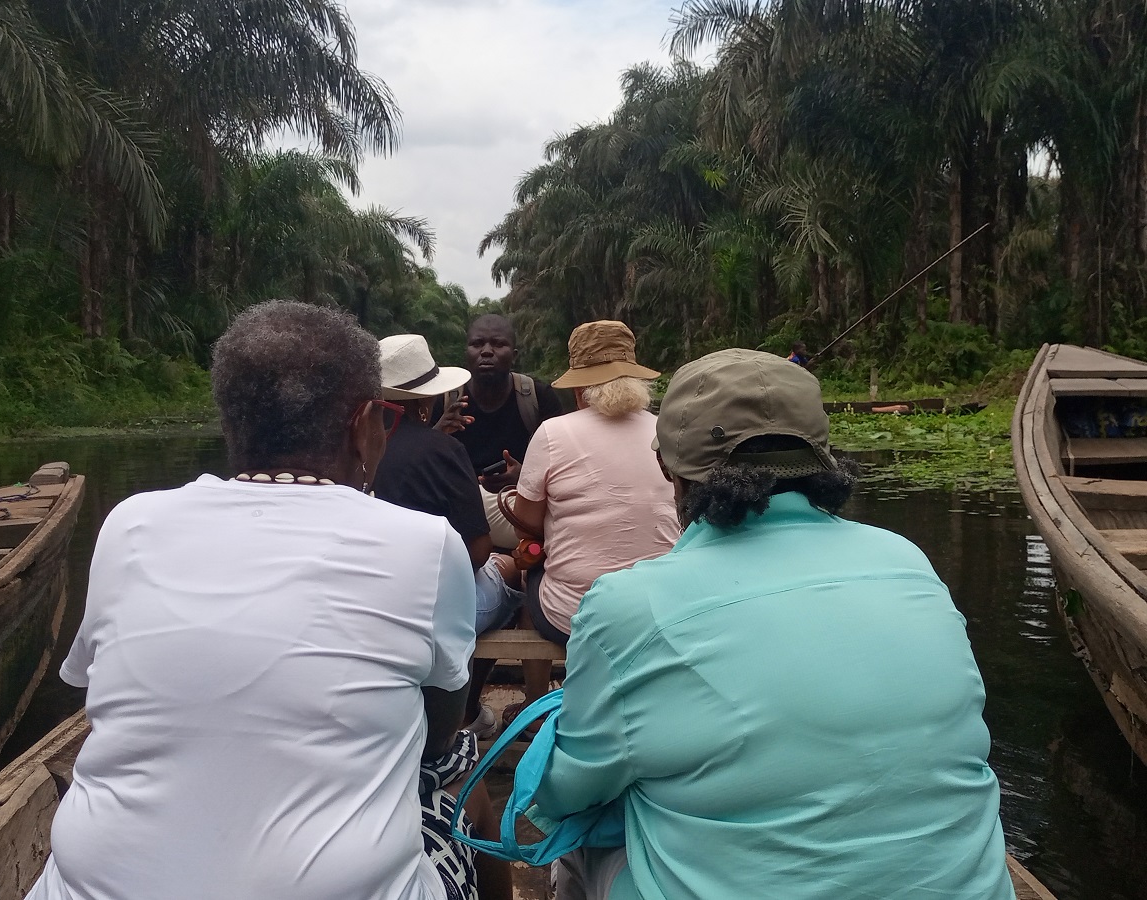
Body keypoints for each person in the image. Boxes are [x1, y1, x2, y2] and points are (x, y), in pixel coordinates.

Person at [26, 301, 509, 900]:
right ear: (365, 424)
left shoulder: (130, 523)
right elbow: (438, 736)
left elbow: (95, 689)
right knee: (461, 779)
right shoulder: (425, 544)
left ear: (231, 420)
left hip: (84, 888)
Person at [534, 348, 1017, 900]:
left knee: (580, 835)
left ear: (668, 469)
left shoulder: (627, 603)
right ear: (823, 458)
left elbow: (568, 791)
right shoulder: (908, 559)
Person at [507, 320, 680, 720]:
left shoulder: (552, 433)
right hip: (662, 611)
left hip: (574, 616)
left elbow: (524, 525)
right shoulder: (667, 430)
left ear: (579, 388)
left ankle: (535, 707)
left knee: (530, 572)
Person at [373, 333, 524, 739]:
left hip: (375, 597)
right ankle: (469, 710)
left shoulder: (352, 448)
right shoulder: (443, 450)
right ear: (426, 403)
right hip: (431, 607)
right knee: (513, 572)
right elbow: (478, 551)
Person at [434, 314, 563, 548]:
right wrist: (436, 434)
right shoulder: (443, 400)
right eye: (477, 344)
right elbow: (416, 461)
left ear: (514, 355)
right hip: (456, 511)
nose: (486, 351)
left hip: (520, 508)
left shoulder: (539, 397)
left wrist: (526, 476)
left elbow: (563, 464)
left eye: (498, 344)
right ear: (466, 352)